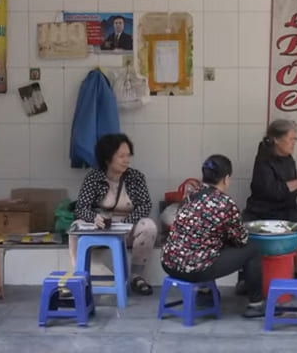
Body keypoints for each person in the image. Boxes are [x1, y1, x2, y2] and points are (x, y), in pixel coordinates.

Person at [163, 155, 265, 318]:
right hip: (195, 270)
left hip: (170, 263)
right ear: (226, 179)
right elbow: (241, 240)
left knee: (207, 244)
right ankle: (256, 304)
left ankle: (206, 293)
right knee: (252, 250)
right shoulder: (225, 203)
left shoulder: (190, 196)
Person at [71, 133, 157, 296]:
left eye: (128, 155)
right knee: (74, 228)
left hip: (127, 227)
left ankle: (136, 276)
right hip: (100, 227)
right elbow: (80, 207)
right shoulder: (93, 177)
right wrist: (94, 218)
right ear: (107, 158)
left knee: (149, 226)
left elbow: (145, 205)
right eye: (121, 156)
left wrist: (126, 223)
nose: (126, 160)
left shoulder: (135, 177)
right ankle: (78, 276)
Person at [241, 119, 297, 291]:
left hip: (285, 209)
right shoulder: (263, 161)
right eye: (291, 139)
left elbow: (290, 188)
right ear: (277, 140)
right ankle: (245, 279)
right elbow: (274, 191)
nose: (294, 143)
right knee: (244, 227)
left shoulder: (289, 159)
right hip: (263, 211)